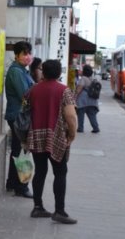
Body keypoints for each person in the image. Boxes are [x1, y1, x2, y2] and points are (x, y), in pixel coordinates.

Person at [26, 60, 78, 224]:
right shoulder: (64, 90)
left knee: (40, 172)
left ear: (44, 72)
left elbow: (26, 110)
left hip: (36, 134)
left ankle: (37, 207)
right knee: (60, 172)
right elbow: (70, 115)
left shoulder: (33, 89)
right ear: (59, 73)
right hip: (56, 136)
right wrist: (72, 134)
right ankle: (59, 211)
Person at [4, 41, 35, 198]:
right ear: (16, 55)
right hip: (19, 117)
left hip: (18, 116)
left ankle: (12, 183)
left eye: (29, 53)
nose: (28, 57)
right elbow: (26, 93)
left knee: (17, 150)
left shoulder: (22, 70)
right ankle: (22, 187)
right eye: (24, 54)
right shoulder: (16, 72)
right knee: (23, 151)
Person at [74, 64, 100, 133]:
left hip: (83, 100)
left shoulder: (83, 79)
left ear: (84, 71)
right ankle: (96, 128)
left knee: (80, 114)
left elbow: (79, 89)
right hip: (92, 100)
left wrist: (75, 96)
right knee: (92, 115)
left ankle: (80, 128)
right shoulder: (94, 79)